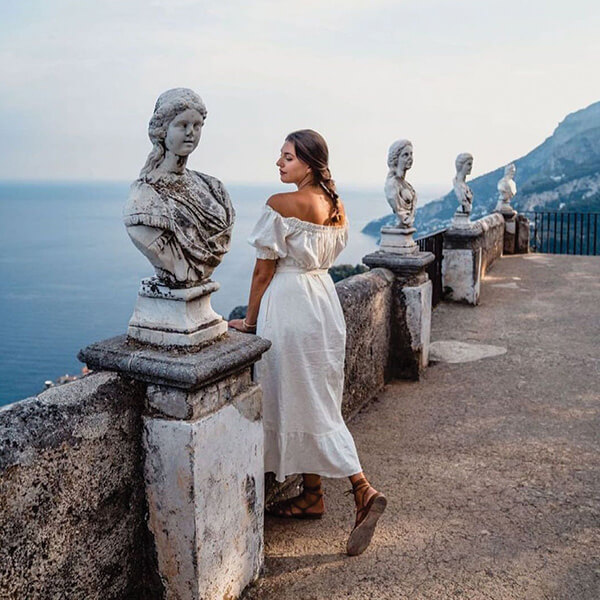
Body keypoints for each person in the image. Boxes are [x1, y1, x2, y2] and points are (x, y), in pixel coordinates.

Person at [229, 129, 386, 556]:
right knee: (316, 394)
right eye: (279, 156)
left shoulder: (281, 205)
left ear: (309, 164)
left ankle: (362, 489)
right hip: (324, 305)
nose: (279, 164)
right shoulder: (336, 205)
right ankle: (312, 495)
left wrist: (249, 319)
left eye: (287, 158)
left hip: (290, 308)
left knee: (306, 401)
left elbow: (263, 272)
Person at [123, 88, 234, 287]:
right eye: (182, 125)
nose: (191, 132)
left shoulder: (214, 188)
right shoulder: (144, 197)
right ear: (162, 130)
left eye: (197, 125)